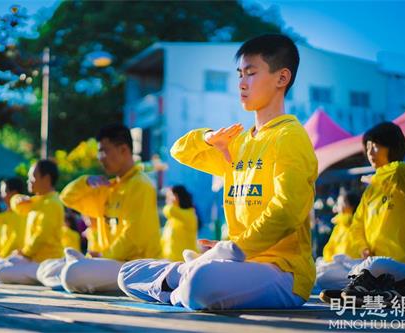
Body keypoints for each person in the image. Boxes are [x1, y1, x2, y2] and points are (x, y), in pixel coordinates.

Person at [118, 34, 318, 310]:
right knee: (127, 273)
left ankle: (183, 280)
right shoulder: (237, 143)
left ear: (282, 78)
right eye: (240, 75)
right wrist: (210, 138)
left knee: (204, 282)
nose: (242, 83)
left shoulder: (290, 137)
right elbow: (179, 151)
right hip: (236, 265)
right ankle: (183, 278)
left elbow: (286, 212)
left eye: (251, 73)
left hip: (283, 273)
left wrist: (232, 249)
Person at [38, 124, 161, 293]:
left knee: (72, 273)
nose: (100, 157)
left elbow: (134, 239)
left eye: (104, 151)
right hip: (108, 262)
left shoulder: (141, 184)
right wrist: (86, 181)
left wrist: (104, 257)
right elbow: (67, 197)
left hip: (134, 267)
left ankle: (83, 270)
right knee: (46, 267)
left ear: (124, 150)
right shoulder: (107, 188)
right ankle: (84, 270)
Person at [320, 122, 405, 304]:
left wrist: (376, 178)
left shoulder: (402, 174)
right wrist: (362, 248)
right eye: (367, 147)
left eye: (375, 145)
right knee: (326, 275)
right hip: (376, 268)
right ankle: (382, 292)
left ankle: (389, 289)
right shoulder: (370, 191)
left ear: (392, 146)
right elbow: (357, 227)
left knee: (375, 265)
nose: (370, 152)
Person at [0, 160, 65, 285]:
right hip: (33, 260)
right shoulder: (36, 202)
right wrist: (16, 198)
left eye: (32, 176)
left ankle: (51, 275)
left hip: (46, 261)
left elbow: (41, 236)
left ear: (46, 179)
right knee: (0, 268)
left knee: (0, 272)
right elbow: (17, 207)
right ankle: (45, 277)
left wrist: (24, 252)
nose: (28, 180)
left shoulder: (52, 203)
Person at [315, 191, 361, 289]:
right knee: (318, 268)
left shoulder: (356, 224)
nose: (336, 208)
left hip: (351, 265)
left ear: (349, 206)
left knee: (321, 275)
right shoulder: (339, 225)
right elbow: (329, 249)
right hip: (337, 264)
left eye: (340, 204)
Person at [161, 185, 198, 261]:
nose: (167, 200)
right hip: (170, 261)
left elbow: (169, 210)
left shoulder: (189, 214)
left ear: (177, 197)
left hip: (184, 262)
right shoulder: (173, 219)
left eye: (169, 196)